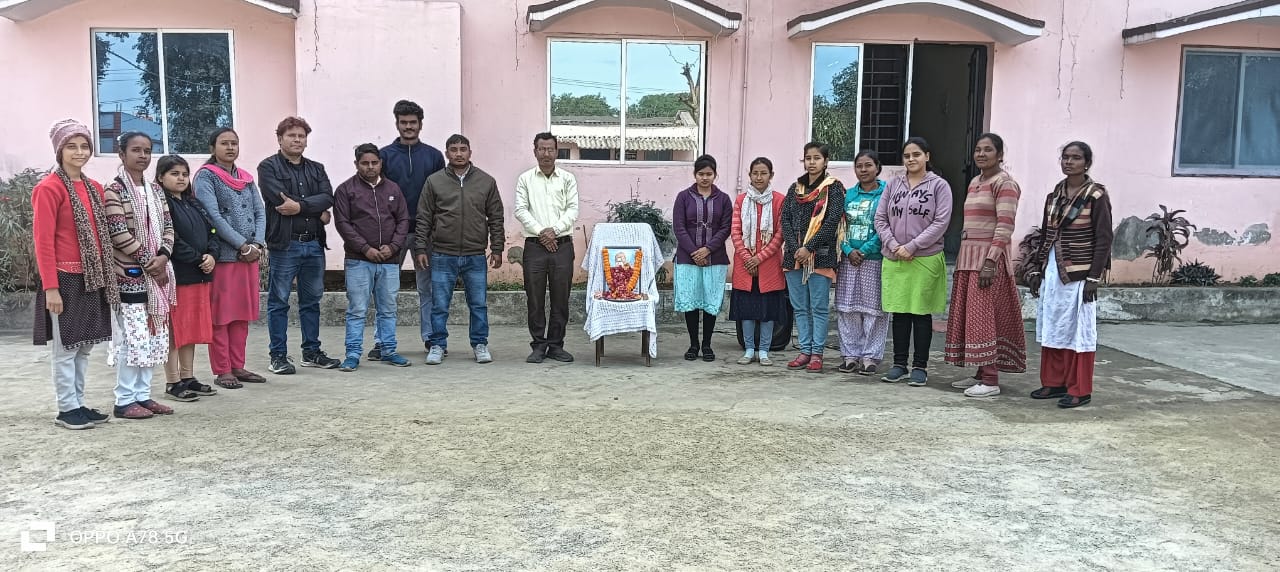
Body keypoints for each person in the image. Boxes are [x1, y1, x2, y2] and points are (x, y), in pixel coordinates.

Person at [33, 118, 118, 430]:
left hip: (93, 276)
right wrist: (51, 288)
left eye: (84, 146)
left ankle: (78, 404)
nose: (80, 152)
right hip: (64, 279)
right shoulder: (49, 188)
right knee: (66, 347)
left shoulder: (94, 188)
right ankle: (66, 409)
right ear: (60, 150)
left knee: (84, 346)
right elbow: (43, 242)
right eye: (72, 146)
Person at [1026, 141, 1113, 408]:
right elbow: (1046, 235)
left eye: (1075, 158)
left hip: (1080, 273)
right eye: (1065, 157)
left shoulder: (1096, 196)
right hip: (1054, 269)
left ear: (1087, 163)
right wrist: (1037, 268)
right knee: (1053, 325)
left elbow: (1104, 238)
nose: (1069, 162)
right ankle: (1054, 382)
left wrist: (1094, 278)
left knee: (1079, 331)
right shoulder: (1054, 196)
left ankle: (1079, 388)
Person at [945, 133, 1028, 398]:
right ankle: (980, 373)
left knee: (984, 319)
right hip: (968, 258)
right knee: (972, 317)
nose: (981, 154)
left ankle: (991, 379)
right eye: (978, 150)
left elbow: (1005, 225)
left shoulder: (1005, 184)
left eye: (988, 150)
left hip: (987, 260)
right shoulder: (975, 182)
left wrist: (990, 262)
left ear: (1000, 155)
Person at [257, 116, 339, 374]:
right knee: (279, 301)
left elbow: (328, 197)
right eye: (291, 135)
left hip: (313, 245)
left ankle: (311, 352)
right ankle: (278, 356)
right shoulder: (268, 167)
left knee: (312, 301)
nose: (297, 140)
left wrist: (301, 207)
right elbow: (280, 199)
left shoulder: (317, 168)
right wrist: (316, 210)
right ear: (279, 138)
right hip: (285, 245)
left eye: (301, 136)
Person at [102, 132, 176, 419]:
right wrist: (150, 262)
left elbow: (168, 227)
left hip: (158, 277)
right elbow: (118, 232)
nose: (143, 155)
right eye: (136, 150)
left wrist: (163, 257)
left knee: (154, 336)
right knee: (133, 339)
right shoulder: (113, 190)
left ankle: (143, 396)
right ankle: (124, 400)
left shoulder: (156, 190)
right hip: (129, 276)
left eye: (147, 150)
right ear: (122, 154)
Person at [415, 134, 505, 365]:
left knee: (478, 304)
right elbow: (424, 217)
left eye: (462, 149)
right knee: (439, 305)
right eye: (453, 149)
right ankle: (437, 345)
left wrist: (497, 248)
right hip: (442, 254)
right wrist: (420, 248)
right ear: (447, 153)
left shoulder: (486, 181)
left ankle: (480, 344)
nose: (458, 153)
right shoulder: (434, 181)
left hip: (475, 254)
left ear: (470, 152)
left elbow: (496, 217)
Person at [874, 137, 952, 386]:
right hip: (895, 257)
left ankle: (920, 366)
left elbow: (941, 222)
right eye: (907, 155)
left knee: (920, 313)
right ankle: (899, 364)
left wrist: (913, 246)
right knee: (899, 312)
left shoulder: (939, 186)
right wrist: (893, 244)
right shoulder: (893, 184)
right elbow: (880, 218)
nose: (911, 159)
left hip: (924, 258)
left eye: (916, 154)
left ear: (927, 156)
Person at [194, 128, 267, 389]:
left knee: (241, 315)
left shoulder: (246, 178)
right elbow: (212, 215)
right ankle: (223, 369)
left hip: (249, 257)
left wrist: (257, 243)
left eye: (234, 143)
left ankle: (238, 365)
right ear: (212, 147)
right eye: (224, 143)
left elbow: (260, 211)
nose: (230, 148)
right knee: (222, 315)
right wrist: (241, 245)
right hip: (226, 257)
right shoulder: (206, 177)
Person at [333, 144, 411, 371]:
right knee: (357, 310)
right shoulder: (346, 190)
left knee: (388, 309)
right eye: (364, 163)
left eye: (374, 163)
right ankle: (352, 354)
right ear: (356, 164)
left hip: (390, 261)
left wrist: (394, 247)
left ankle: (388, 350)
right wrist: (365, 248)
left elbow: (403, 220)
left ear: (381, 163)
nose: (370, 167)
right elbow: (343, 224)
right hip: (358, 260)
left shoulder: (393, 189)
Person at [378, 100, 446, 361]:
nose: (408, 127)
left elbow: (440, 196)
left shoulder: (433, 156)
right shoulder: (384, 156)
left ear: (420, 124)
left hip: (424, 233)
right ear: (396, 124)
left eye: (413, 122)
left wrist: (434, 230)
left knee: (428, 288)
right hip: (392, 233)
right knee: (386, 289)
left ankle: (431, 338)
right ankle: (382, 341)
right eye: (403, 122)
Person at [780, 142, 847, 373]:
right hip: (794, 257)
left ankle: (817, 353)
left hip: (821, 256)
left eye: (817, 158)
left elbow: (832, 222)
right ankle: (804, 351)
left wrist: (809, 247)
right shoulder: (795, 189)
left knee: (818, 308)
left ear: (825, 161)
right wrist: (795, 248)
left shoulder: (833, 188)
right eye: (808, 158)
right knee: (800, 307)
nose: (812, 162)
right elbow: (785, 219)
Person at [513, 132, 579, 363]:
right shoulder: (525, 179)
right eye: (542, 149)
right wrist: (542, 232)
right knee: (535, 298)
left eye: (550, 149)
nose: (546, 153)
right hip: (534, 247)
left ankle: (556, 345)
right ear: (535, 152)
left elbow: (573, 209)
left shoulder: (567, 179)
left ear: (556, 151)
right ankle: (539, 345)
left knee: (561, 298)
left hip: (562, 246)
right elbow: (520, 209)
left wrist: (554, 231)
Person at [160, 154, 219, 402]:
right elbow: (171, 239)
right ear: (161, 177)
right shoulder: (163, 205)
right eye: (174, 174)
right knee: (175, 329)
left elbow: (212, 231)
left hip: (199, 275)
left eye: (184, 174)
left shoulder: (193, 203)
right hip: (178, 275)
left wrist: (212, 255)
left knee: (191, 328)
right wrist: (197, 258)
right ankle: (172, 381)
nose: (181, 179)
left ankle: (188, 376)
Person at [673, 154, 733, 362]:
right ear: (694, 174)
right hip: (687, 258)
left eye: (709, 174)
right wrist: (694, 252)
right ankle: (693, 344)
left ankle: (707, 344)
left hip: (715, 258)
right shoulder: (683, 197)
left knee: (710, 301)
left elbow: (726, 228)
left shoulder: (724, 199)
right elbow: (679, 227)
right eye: (701, 174)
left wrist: (707, 249)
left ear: (715, 174)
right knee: (690, 302)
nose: (705, 178)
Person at [834, 150, 888, 376]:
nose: (863, 170)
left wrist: (864, 251)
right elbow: (839, 226)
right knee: (847, 308)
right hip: (848, 261)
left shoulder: (886, 193)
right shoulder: (848, 195)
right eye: (859, 166)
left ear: (877, 167)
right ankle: (850, 356)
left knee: (874, 310)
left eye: (868, 165)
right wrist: (847, 250)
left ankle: (870, 357)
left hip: (873, 260)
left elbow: (886, 226)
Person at [729, 157, 785, 366]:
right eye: (755, 173)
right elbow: (735, 232)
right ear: (750, 175)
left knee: (767, 312)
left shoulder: (779, 200)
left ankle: (764, 351)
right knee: (747, 310)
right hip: (745, 266)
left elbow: (780, 235)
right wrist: (748, 259)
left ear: (771, 175)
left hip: (769, 265)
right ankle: (749, 349)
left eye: (763, 173)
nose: (759, 177)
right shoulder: (741, 200)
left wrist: (759, 259)